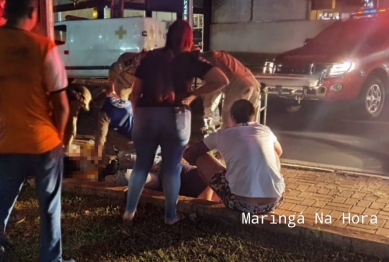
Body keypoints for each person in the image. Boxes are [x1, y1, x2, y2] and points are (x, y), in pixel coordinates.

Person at [124, 19, 229, 226]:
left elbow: (135, 93)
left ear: (167, 36)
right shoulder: (190, 60)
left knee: (141, 167)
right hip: (177, 116)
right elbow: (222, 80)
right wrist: (193, 94)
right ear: (189, 39)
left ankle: (129, 212)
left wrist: (139, 115)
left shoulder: (149, 58)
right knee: (171, 168)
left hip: (146, 114)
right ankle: (170, 216)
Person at [0, 0, 74, 261]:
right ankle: (51, 259)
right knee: (50, 206)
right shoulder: (44, 47)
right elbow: (62, 106)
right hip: (44, 142)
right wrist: (60, 138)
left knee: (2, 201)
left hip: (7, 141)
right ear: (32, 14)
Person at [184, 100, 285, 214]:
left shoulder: (222, 134)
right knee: (274, 152)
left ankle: (212, 196)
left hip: (241, 205)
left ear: (231, 117)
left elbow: (189, 153)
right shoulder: (265, 130)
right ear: (254, 116)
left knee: (201, 157)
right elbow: (279, 152)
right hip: (274, 202)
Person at [201, 51, 261, 129]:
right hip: (254, 84)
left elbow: (211, 89)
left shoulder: (206, 61)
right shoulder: (219, 56)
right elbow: (216, 87)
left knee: (229, 121)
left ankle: (226, 140)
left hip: (239, 87)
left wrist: (206, 109)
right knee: (252, 125)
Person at [64, 85, 92, 153]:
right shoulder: (74, 100)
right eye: (81, 104)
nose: (80, 107)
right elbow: (72, 127)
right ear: (79, 95)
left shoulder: (63, 94)